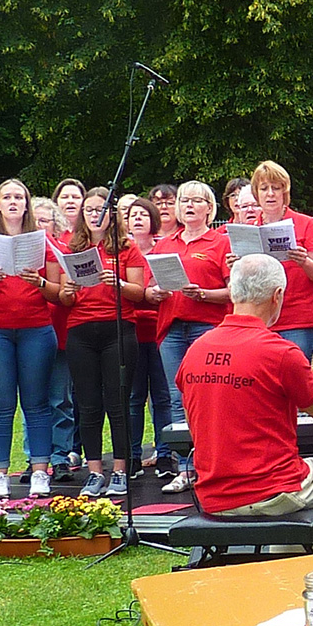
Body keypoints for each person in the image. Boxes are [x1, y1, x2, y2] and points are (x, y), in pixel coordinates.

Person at [176, 254, 313, 551]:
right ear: (278, 296)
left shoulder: (196, 350)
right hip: (271, 488)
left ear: (234, 292)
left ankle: (286, 559)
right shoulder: (280, 352)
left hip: (212, 492)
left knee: (298, 484)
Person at [145, 181, 232, 494]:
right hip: (172, 326)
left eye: (197, 200)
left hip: (207, 326)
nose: (189, 206)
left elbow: (234, 291)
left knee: (208, 396)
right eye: (184, 201)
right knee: (175, 396)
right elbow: (149, 287)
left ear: (210, 208)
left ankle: (214, 466)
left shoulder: (220, 243)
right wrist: (154, 292)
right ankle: (185, 468)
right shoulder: (164, 244)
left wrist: (205, 294)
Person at [59, 187, 144, 498]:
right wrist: (67, 292)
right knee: (88, 404)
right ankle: (94, 471)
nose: (95, 215)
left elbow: (139, 291)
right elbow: (63, 298)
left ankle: (120, 469)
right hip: (81, 330)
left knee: (118, 402)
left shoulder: (126, 249)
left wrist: (119, 283)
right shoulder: (73, 249)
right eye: (90, 210)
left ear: (112, 214)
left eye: (101, 209)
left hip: (117, 329)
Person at [0, 180, 61, 499]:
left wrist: (39, 281)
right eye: (6, 197)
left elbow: (60, 294)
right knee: (1, 404)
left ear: (27, 205)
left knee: (36, 403)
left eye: (18, 197)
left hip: (36, 327)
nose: (12, 202)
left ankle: (39, 471)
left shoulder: (42, 241)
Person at [250, 161, 313, 360]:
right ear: (256, 193)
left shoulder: (305, 223)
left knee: (294, 378)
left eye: (276, 188)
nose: (270, 194)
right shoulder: (249, 228)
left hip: (297, 318)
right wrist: (236, 264)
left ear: (285, 192)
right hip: (260, 316)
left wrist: (304, 262)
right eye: (264, 188)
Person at [126, 198, 172, 478]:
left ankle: (165, 455)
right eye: (133, 215)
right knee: (133, 397)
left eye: (144, 214)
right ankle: (132, 455)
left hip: (159, 330)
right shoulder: (121, 251)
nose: (139, 219)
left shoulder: (163, 249)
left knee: (163, 397)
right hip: (131, 331)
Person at [32, 197, 78, 481]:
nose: (39, 226)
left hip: (60, 332)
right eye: (35, 220)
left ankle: (61, 456)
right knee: (33, 400)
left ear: (55, 224)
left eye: (44, 220)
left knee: (60, 398)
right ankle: (34, 458)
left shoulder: (63, 251)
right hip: (30, 331)